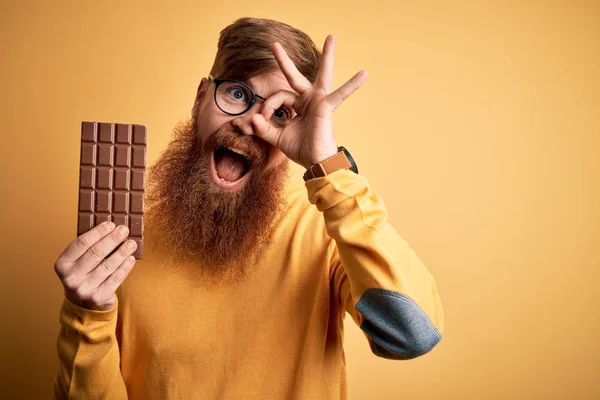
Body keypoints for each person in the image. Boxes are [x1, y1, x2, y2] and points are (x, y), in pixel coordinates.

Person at [52, 17, 444, 400]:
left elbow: (413, 335)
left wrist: (326, 161)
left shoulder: (329, 232)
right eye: (237, 94)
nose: (249, 124)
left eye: (281, 113)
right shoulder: (122, 242)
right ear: (200, 98)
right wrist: (88, 315)